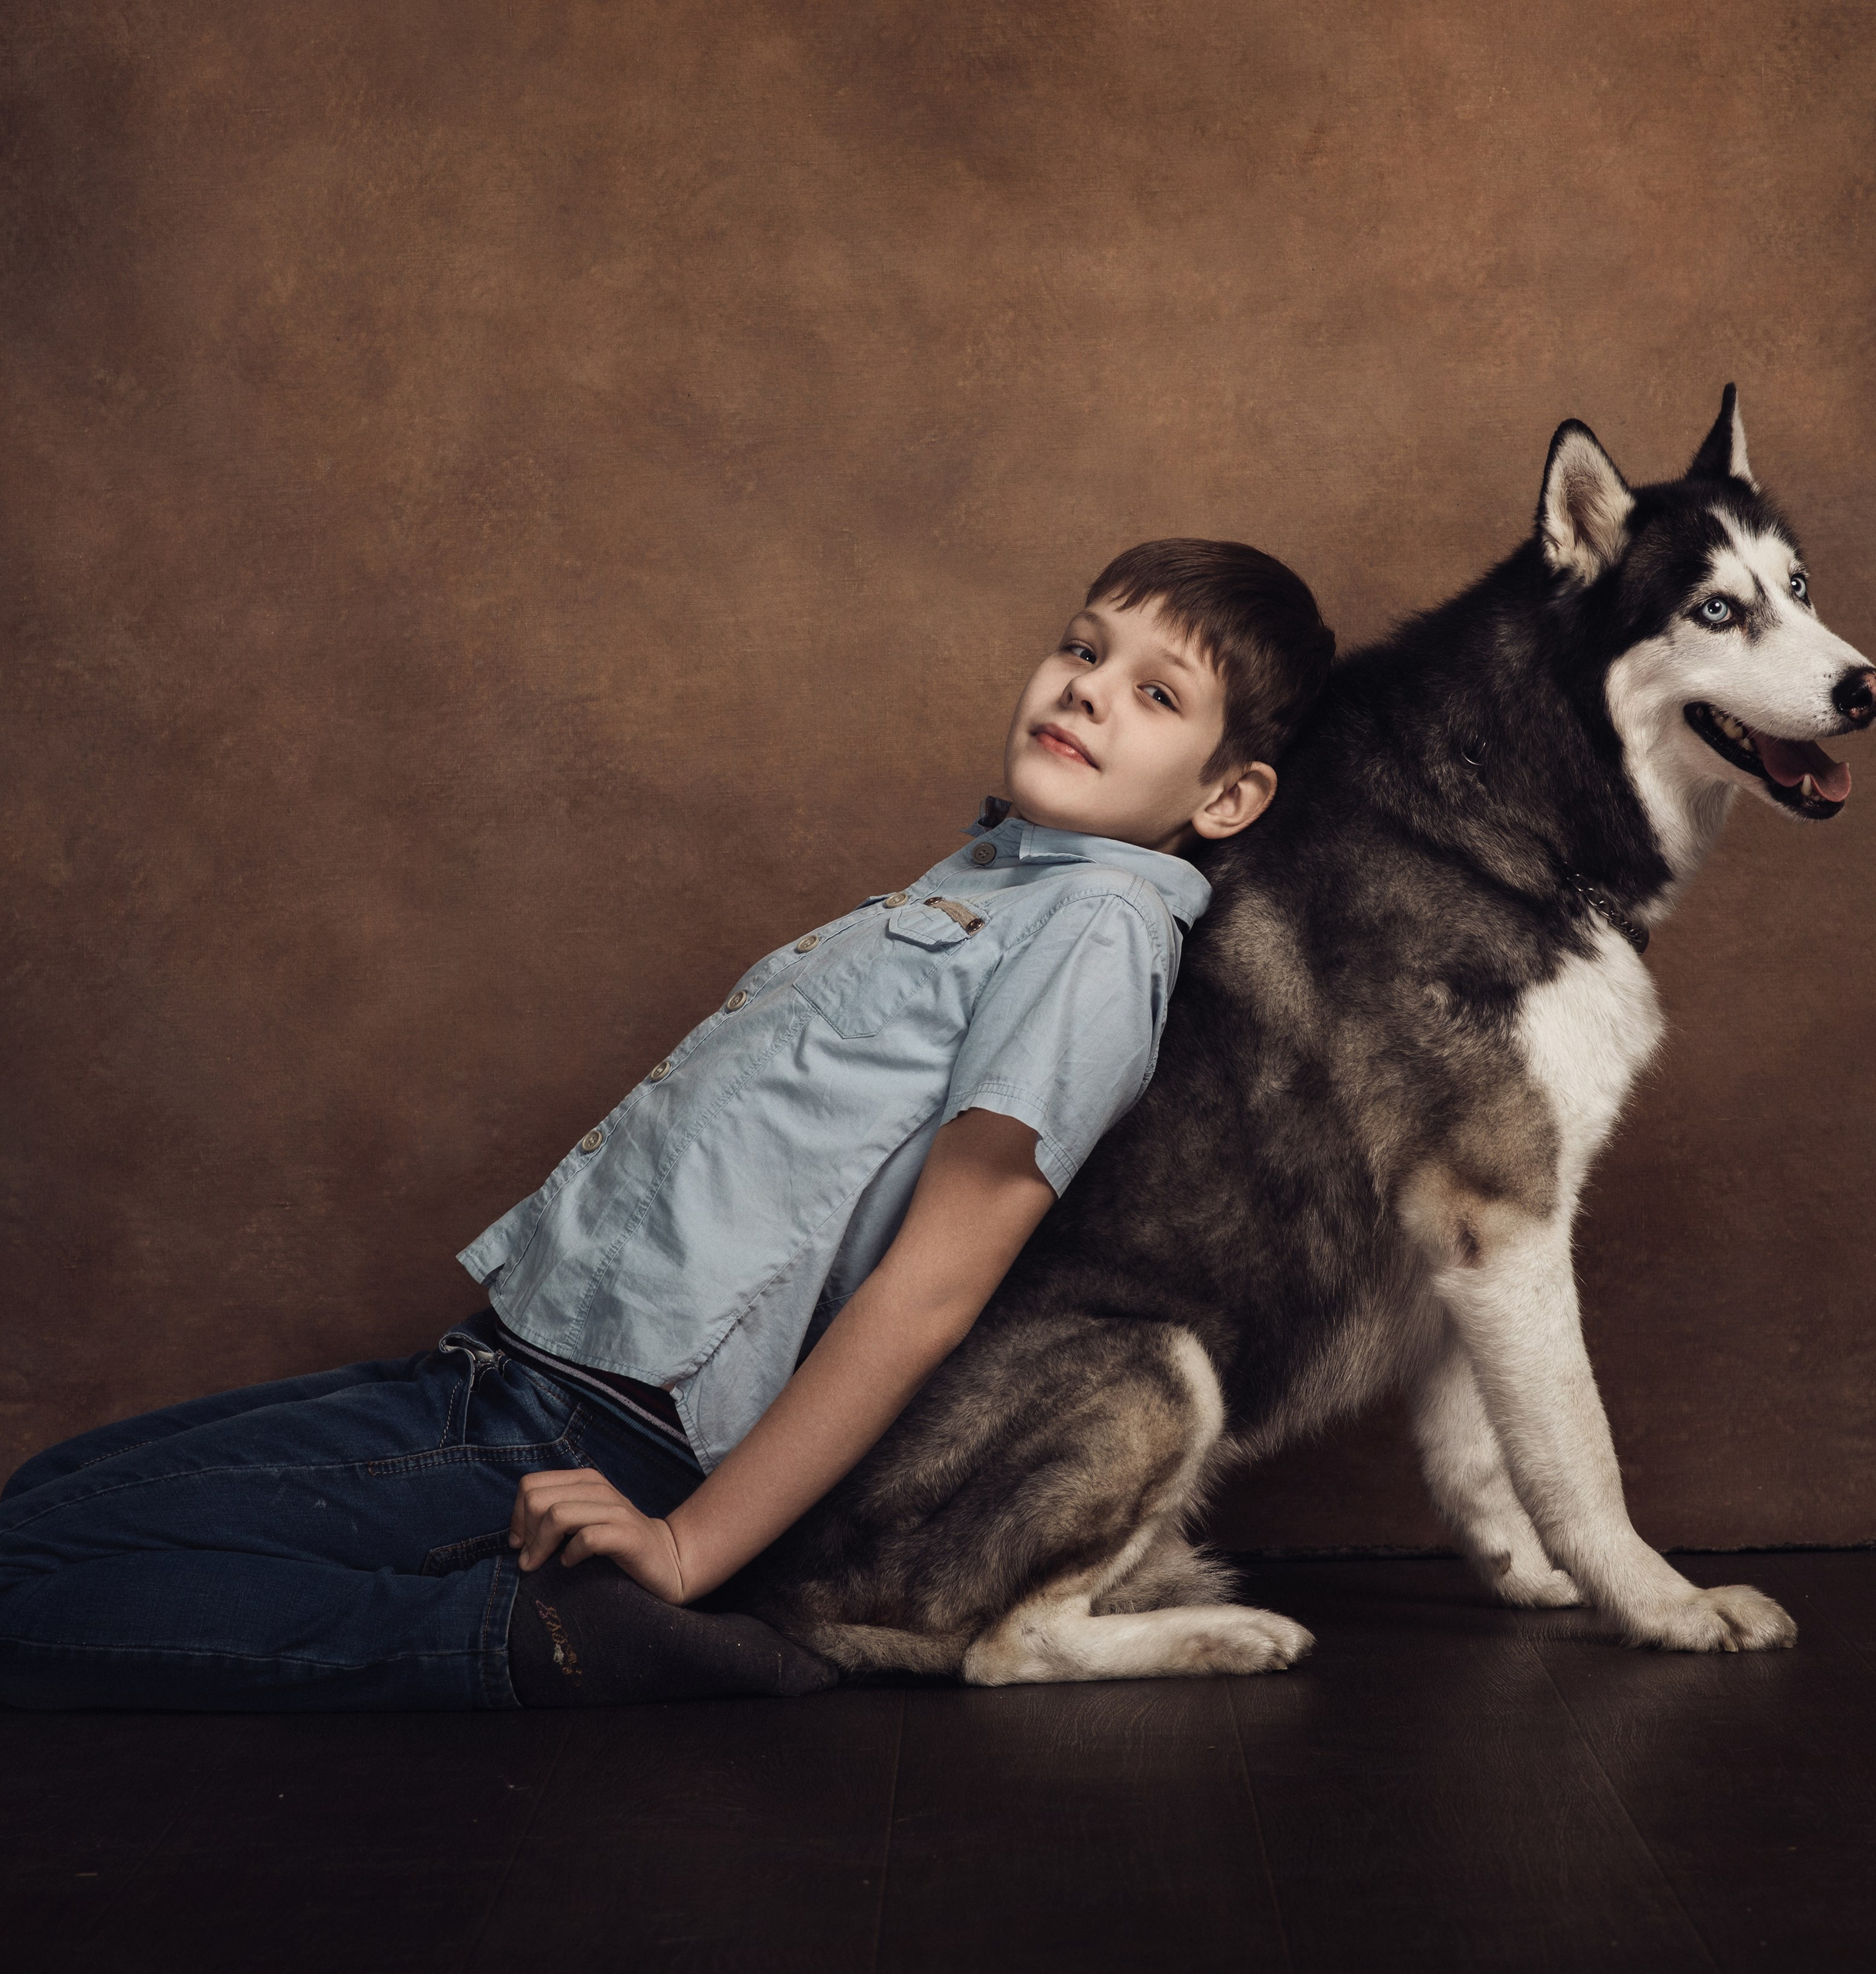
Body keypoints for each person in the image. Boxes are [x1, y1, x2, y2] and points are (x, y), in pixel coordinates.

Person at [0, 540, 1330, 1712]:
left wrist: (692, 1549)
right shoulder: (1001, 879)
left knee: (27, 1575)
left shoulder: (1095, 929)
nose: (1089, 687)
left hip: (590, 1429)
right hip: (503, 1371)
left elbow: (935, 1284)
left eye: (1157, 693)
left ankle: (545, 1645)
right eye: (1082, 647)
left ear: (1226, 800)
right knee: (41, 1507)